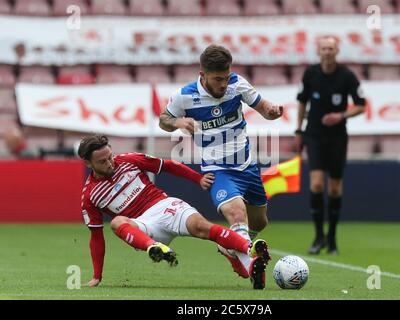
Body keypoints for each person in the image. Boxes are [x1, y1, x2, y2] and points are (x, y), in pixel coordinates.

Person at [159, 44, 283, 288]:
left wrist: (272, 111)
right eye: (218, 79)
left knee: (259, 222)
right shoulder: (185, 95)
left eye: (226, 78)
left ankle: (230, 246)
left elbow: (263, 107)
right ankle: (251, 264)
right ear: (203, 74)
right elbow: (163, 120)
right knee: (238, 214)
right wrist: (178, 121)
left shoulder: (237, 84)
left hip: (247, 166)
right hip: (217, 169)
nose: (223, 84)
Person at [79, 134, 269, 289]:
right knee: (117, 222)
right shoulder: (90, 195)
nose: (110, 163)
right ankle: (154, 247)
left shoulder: (129, 161)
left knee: (202, 226)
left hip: (164, 206)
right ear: (88, 163)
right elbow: (96, 236)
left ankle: (248, 250)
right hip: (144, 226)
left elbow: (167, 165)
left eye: (110, 157)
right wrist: (97, 276)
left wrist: (198, 179)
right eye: (102, 161)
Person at [296, 37, 366, 255]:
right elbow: (301, 101)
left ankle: (332, 237)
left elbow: (361, 105)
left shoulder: (346, 76)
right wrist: (299, 130)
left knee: (335, 187)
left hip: (337, 137)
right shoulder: (310, 73)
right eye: (324, 48)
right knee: (316, 184)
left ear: (337, 51)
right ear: (318, 51)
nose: (327, 52)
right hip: (314, 134)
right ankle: (318, 236)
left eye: (331, 48)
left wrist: (341, 115)